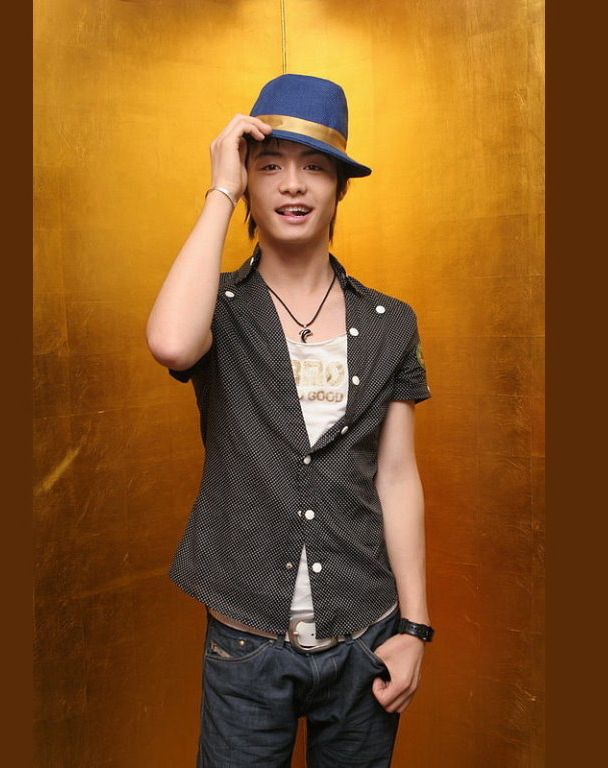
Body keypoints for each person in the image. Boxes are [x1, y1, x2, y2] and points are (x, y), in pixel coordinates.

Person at [146, 73, 434, 768]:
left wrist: (415, 627)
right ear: (248, 181)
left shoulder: (390, 322)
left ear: (340, 188)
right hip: (247, 642)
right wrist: (220, 189)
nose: (294, 186)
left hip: (365, 635)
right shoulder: (218, 308)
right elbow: (172, 344)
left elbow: (397, 476)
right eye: (270, 166)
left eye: (315, 168)